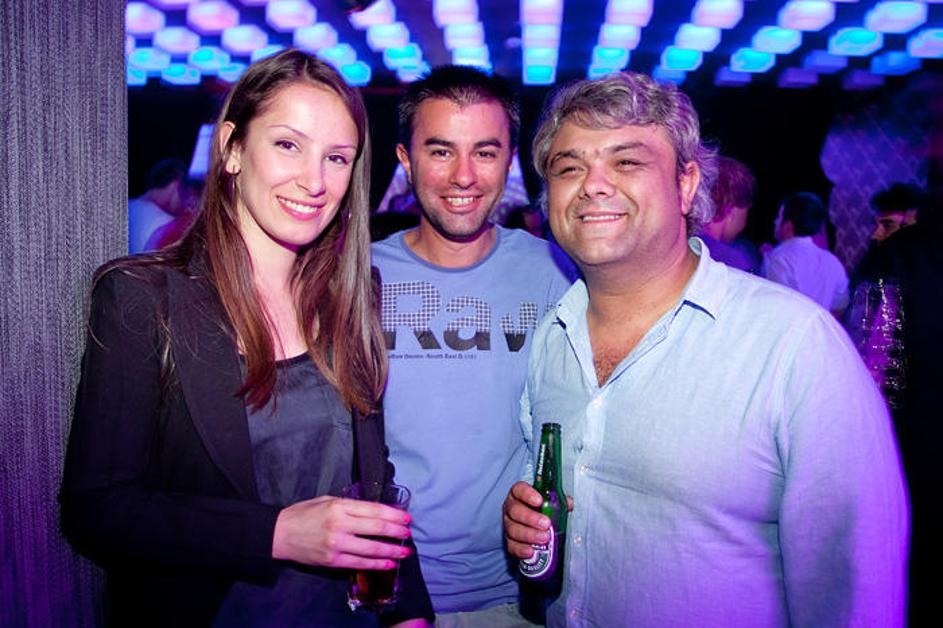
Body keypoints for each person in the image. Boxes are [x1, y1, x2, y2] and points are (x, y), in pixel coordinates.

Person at [502, 71, 908, 627]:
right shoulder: (552, 335)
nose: (593, 184)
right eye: (569, 167)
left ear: (687, 184)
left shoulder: (794, 346)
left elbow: (854, 590)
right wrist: (527, 519)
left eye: (627, 161)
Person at [60, 50, 433, 627]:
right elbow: (98, 508)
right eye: (288, 145)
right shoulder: (143, 297)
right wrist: (276, 533)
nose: (314, 181)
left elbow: (374, 482)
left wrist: (408, 613)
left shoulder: (354, 296)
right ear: (232, 148)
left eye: (337, 158)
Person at [371, 65, 573, 626]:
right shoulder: (355, 278)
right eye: (441, 151)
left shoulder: (558, 273)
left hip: (516, 598)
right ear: (406, 159)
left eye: (485, 152)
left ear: (509, 161)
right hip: (382, 593)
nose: (463, 176)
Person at [855, 183, 940, 626]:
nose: (875, 233)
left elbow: (873, 364)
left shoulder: (897, 259)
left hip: (909, 449)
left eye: (886, 223)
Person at [762, 191, 850, 317]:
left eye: (778, 217)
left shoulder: (779, 258)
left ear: (788, 226)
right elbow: (840, 307)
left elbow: (774, 307)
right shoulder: (833, 262)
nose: (775, 222)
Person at [700, 155, 760, 273]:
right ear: (733, 211)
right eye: (746, 211)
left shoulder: (683, 246)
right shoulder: (735, 261)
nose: (743, 225)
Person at [128, 157, 189, 253]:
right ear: (176, 183)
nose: (184, 200)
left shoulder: (124, 208)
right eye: (184, 190)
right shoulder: (167, 224)